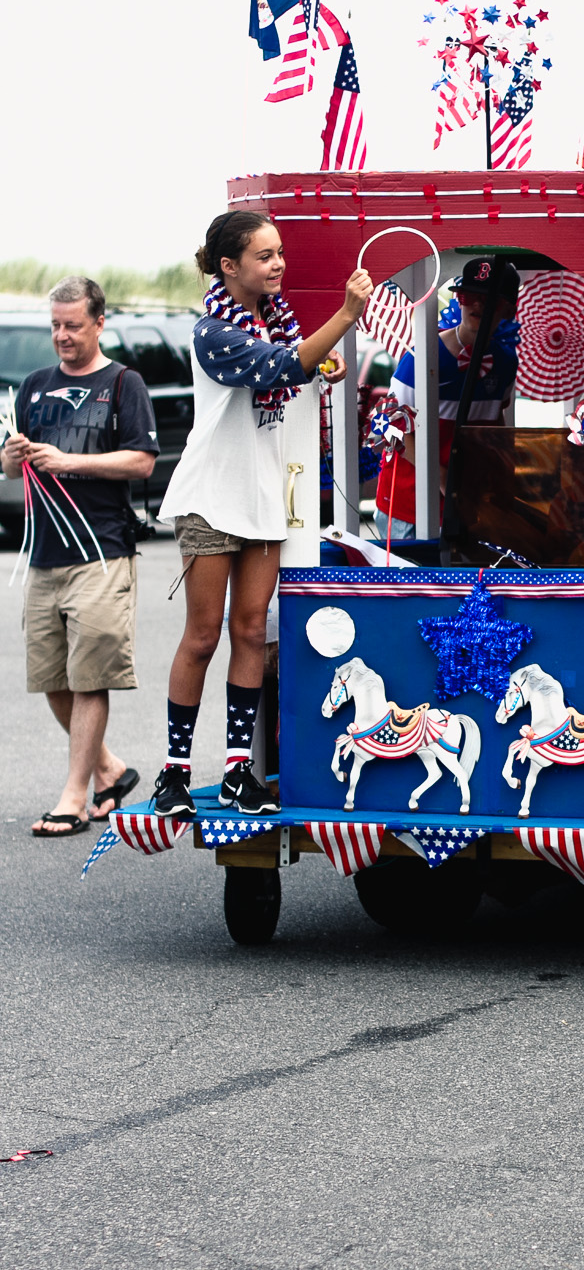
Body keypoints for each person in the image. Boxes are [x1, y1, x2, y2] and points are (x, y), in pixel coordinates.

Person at [152, 211, 371, 820]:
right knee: (201, 636)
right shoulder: (212, 332)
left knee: (251, 632)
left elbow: (294, 365)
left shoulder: (276, 323)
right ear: (230, 266)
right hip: (211, 499)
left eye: (280, 253)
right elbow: (279, 367)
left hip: (264, 502)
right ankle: (173, 774)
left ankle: (235, 774)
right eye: (264, 255)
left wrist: (322, 364)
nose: (278, 264)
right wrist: (344, 321)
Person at [1, 277, 158, 835]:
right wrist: (12, 455)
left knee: (90, 677)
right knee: (53, 679)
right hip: (44, 553)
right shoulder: (35, 385)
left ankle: (74, 796)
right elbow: (9, 466)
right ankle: (110, 770)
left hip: (102, 549)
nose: (61, 336)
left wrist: (69, 463)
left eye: (72, 325)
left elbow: (142, 462)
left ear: (98, 322)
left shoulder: (123, 383)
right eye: (55, 326)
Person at [372, 255, 520, 543]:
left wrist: (503, 477)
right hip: (410, 503)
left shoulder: (504, 362)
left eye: (491, 300)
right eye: (468, 296)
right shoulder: (421, 357)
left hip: (467, 505)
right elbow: (390, 425)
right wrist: (440, 476)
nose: (477, 305)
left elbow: (494, 424)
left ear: (508, 310)